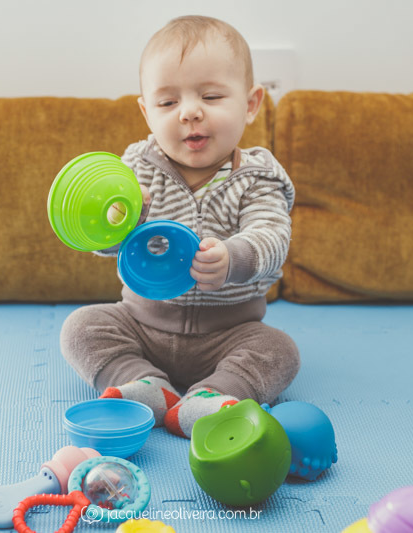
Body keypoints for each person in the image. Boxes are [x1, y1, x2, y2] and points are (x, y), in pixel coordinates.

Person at [60, 15, 299, 438]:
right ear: (146, 112)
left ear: (250, 104)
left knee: (280, 351)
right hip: (142, 324)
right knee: (80, 327)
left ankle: (213, 395)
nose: (189, 112)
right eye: (168, 103)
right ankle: (144, 383)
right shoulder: (136, 168)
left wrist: (233, 258)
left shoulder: (258, 177)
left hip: (229, 332)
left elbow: (273, 237)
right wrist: (120, 220)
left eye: (211, 95)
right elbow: (105, 242)